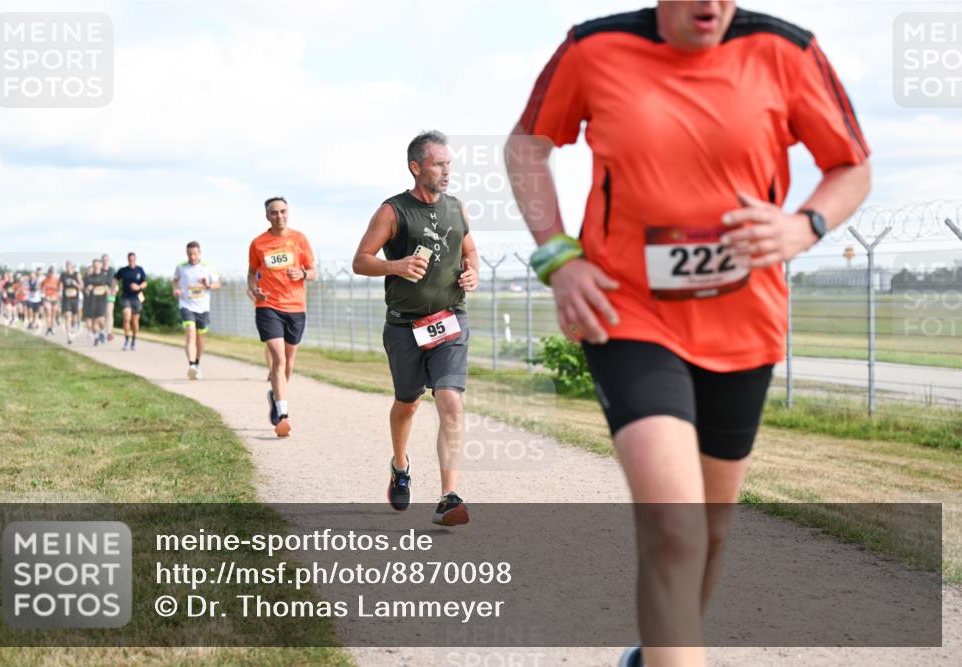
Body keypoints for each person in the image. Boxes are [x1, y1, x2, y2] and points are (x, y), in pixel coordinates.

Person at [506, 3, 871, 665]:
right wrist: (557, 256)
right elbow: (526, 146)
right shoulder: (593, 48)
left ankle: (656, 654)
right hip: (628, 313)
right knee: (675, 526)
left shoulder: (787, 51)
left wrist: (804, 225)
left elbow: (852, 166)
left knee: (710, 531)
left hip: (744, 323)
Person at [352, 130, 480, 526]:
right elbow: (361, 260)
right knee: (408, 403)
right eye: (438, 164)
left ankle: (449, 497)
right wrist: (396, 265)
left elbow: (470, 250)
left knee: (450, 399)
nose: (447, 171)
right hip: (404, 326)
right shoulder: (393, 211)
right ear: (416, 167)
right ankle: (400, 465)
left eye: (449, 164)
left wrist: (473, 272)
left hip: (449, 319)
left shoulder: (457, 208)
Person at [248, 196, 317, 437]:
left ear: (288, 213)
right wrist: (254, 289)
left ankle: (276, 395)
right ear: (267, 216)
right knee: (278, 359)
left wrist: (303, 274)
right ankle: (283, 415)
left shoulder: (300, 239)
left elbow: (313, 271)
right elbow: (251, 273)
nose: (279, 216)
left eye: (283, 211)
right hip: (268, 306)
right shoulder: (258, 243)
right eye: (274, 212)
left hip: (295, 307)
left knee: (289, 363)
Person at [173, 241, 221, 379]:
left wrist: (208, 285)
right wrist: (176, 290)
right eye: (189, 254)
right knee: (190, 334)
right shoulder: (181, 267)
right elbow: (175, 281)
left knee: (200, 338)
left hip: (203, 307)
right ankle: (192, 365)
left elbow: (218, 284)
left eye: (194, 254)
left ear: (199, 253)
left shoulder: (208, 266)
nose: (192, 257)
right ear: (186, 253)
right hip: (186, 305)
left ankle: (198, 363)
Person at [115, 252, 147, 351]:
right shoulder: (123, 270)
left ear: (135, 259)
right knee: (126, 318)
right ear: (127, 259)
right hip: (126, 297)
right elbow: (115, 279)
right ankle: (126, 339)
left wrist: (139, 287)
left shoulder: (139, 270)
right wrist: (116, 286)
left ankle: (133, 340)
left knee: (135, 321)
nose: (131, 261)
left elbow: (145, 283)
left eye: (133, 259)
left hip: (136, 298)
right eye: (130, 260)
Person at [83, 259, 109, 346]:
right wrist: (87, 289)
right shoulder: (88, 278)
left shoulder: (105, 276)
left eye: (97, 265)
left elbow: (110, 287)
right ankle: (97, 337)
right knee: (94, 323)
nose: (96, 266)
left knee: (101, 319)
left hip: (102, 301)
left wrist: (108, 289)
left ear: (101, 265)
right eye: (94, 265)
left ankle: (102, 331)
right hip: (92, 301)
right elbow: (84, 290)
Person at [59, 260, 83, 345]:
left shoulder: (77, 275)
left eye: (70, 265)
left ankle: (74, 327)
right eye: (67, 265)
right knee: (67, 316)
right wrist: (60, 292)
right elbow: (61, 285)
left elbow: (81, 286)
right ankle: (69, 336)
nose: (68, 267)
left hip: (75, 299)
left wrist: (76, 284)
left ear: (73, 266)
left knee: (74, 318)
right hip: (66, 299)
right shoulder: (63, 275)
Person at [100, 254, 118, 341]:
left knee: (109, 313)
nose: (105, 261)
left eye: (107, 260)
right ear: (101, 261)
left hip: (110, 294)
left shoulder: (112, 271)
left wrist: (116, 288)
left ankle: (108, 332)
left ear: (109, 261)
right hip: (99, 296)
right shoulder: (99, 270)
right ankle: (102, 330)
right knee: (101, 315)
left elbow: (115, 282)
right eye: (104, 260)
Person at [41, 267, 60, 336]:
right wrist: (44, 295)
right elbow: (42, 289)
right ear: (48, 273)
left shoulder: (56, 280)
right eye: (50, 272)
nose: (51, 274)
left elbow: (59, 289)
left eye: (52, 272)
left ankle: (52, 328)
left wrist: (57, 296)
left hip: (55, 299)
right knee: (48, 313)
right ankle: (48, 329)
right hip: (47, 299)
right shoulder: (45, 280)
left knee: (53, 315)